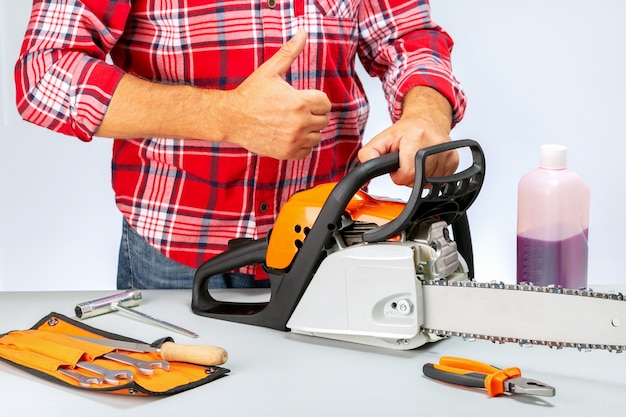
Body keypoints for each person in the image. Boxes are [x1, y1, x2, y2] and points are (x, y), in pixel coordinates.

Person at [15, 0, 466, 289]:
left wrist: (426, 115)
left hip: (329, 245)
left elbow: (406, 37)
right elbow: (46, 73)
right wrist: (225, 116)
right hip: (178, 258)